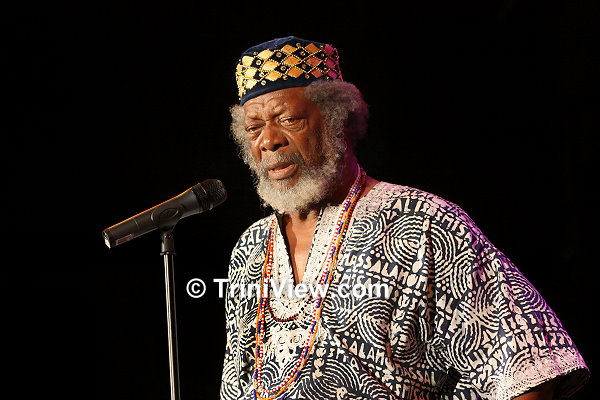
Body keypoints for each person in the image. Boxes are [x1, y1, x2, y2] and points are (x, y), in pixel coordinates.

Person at [220, 36, 589, 400]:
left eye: (289, 119)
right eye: (254, 128)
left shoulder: (426, 223)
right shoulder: (250, 249)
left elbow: (530, 365)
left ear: (337, 118)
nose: (268, 141)